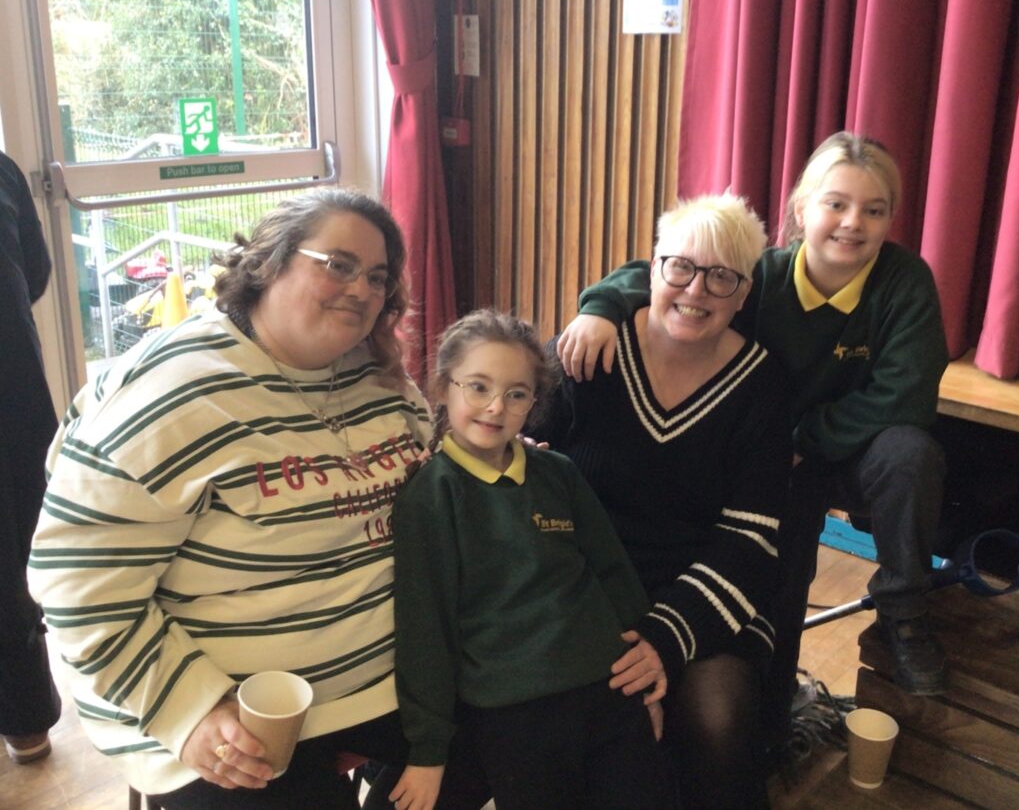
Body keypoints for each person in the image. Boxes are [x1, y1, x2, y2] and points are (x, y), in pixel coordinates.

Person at [27, 187, 434, 807]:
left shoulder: (379, 378)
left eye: (377, 278)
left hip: (394, 684)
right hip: (236, 713)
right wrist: (190, 711)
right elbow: (76, 584)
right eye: (339, 265)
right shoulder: (172, 393)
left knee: (542, 726)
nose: (361, 290)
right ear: (270, 263)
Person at [558, 132, 951, 719]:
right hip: (772, 455)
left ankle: (903, 611)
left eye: (874, 210)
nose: (853, 222)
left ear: (891, 219)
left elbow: (906, 396)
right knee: (779, 572)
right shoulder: (761, 274)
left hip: (842, 449)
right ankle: (775, 706)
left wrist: (805, 440)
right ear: (802, 210)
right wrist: (602, 305)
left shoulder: (905, 282)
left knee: (911, 453)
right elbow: (670, 273)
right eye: (836, 204)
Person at [534, 194, 793, 809]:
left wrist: (665, 637)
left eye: (721, 277)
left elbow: (750, 539)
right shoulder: (585, 352)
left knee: (718, 718)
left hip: (702, 597)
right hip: (584, 587)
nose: (696, 290)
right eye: (680, 267)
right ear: (651, 269)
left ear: (743, 294)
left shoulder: (762, 386)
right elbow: (514, 466)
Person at [370, 309, 673, 810]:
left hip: (610, 688)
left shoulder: (558, 472)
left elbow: (613, 573)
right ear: (443, 387)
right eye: (478, 387)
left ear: (535, 401)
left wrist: (646, 687)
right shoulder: (432, 495)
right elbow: (427, 629)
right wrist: (428, 751)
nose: (496, 407)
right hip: (514, 712)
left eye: (516, 394)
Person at [0, 149, 62, 765]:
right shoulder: (2, 170)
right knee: (15, 548)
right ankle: (25, 720)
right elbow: (36, 273)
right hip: (11, 391)